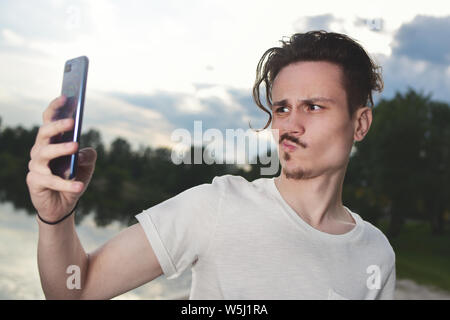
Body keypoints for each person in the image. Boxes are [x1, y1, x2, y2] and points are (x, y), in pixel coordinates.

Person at [26, 30, 395, 300]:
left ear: (359, 124)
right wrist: (54, 218)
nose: (289, 124)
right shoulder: (217, 205)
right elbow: (75, 291)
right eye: (282, 108)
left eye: (313, 107)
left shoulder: (376, 254)